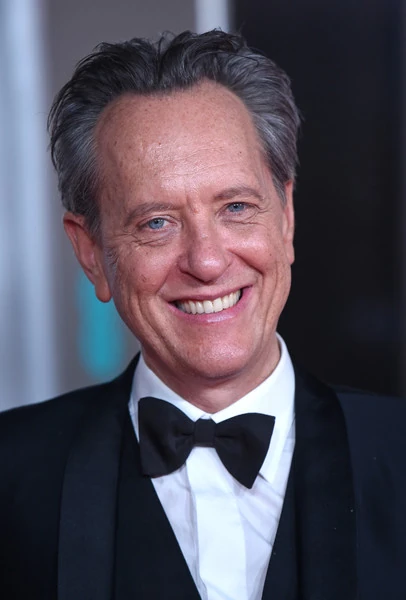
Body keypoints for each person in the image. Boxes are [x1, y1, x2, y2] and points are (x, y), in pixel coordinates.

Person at [0, 29, 405, 600]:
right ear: (90, 253)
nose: (208, 262)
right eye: (156, 223)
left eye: (236, 207)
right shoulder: (10, 475)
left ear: (286, 218)